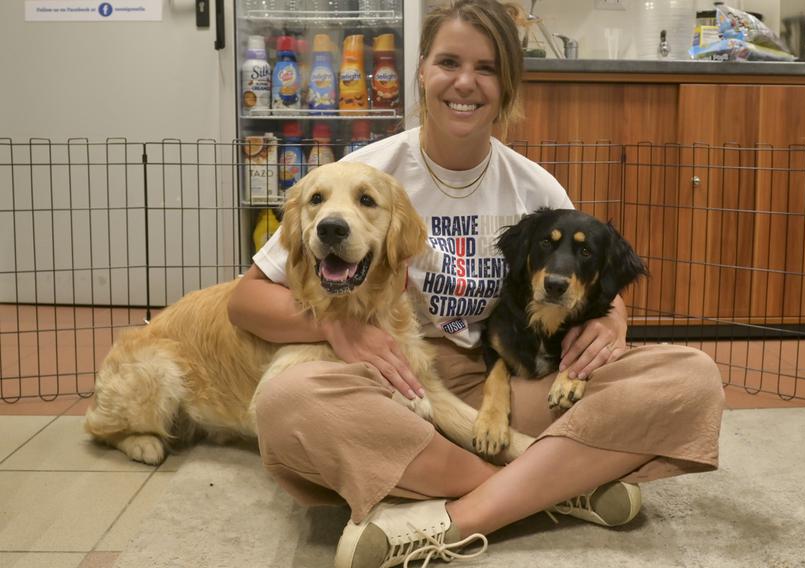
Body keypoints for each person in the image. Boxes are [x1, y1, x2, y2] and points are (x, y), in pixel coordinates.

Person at [227, 1, 725, 567]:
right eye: (448, 62)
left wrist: (614, 321)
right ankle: (554, 487)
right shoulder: (366, 172)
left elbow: (596, 282)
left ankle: (454, 516)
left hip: (508, 385)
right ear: (422, 71)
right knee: (288, 403)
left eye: (487, 68)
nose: (465, 82)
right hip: (393, 386)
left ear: (507, 84)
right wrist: (338, 329)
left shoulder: (534, 186)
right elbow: (246, 299)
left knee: (692, 378)